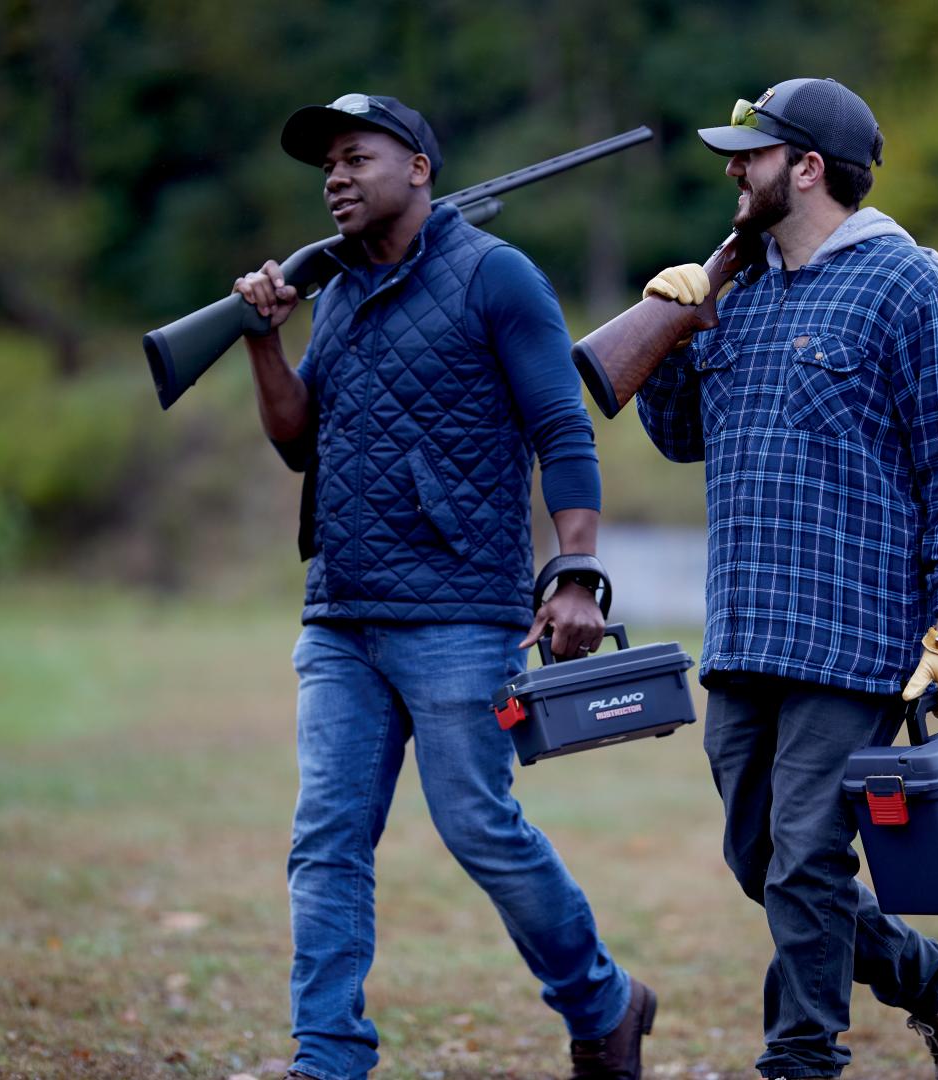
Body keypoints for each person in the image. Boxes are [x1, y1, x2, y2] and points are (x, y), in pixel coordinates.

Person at [232, 92, 655, 1080]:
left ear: (419, 167)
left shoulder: (497, 277)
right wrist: (262, 337)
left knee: (479, 827)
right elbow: (300, 440)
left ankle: (602, 1002)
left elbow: (562, 426)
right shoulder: (332, 293)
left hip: (462, 612)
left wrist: (577, 572)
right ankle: (328, 1057)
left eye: (356, 156)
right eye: (325, 164)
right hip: (341, 616)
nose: (335, 176)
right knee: (326, 841)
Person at [635, 78, 938, 1080]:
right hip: (747, 628)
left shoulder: (912, 290)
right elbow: (678, 437)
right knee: (760, 860)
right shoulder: (739, 290)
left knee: (806, 856)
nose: (731, 169)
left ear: (806, 168)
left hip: (855, 634)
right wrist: (674, 328)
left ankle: (800, 1063)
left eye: (750, 155)